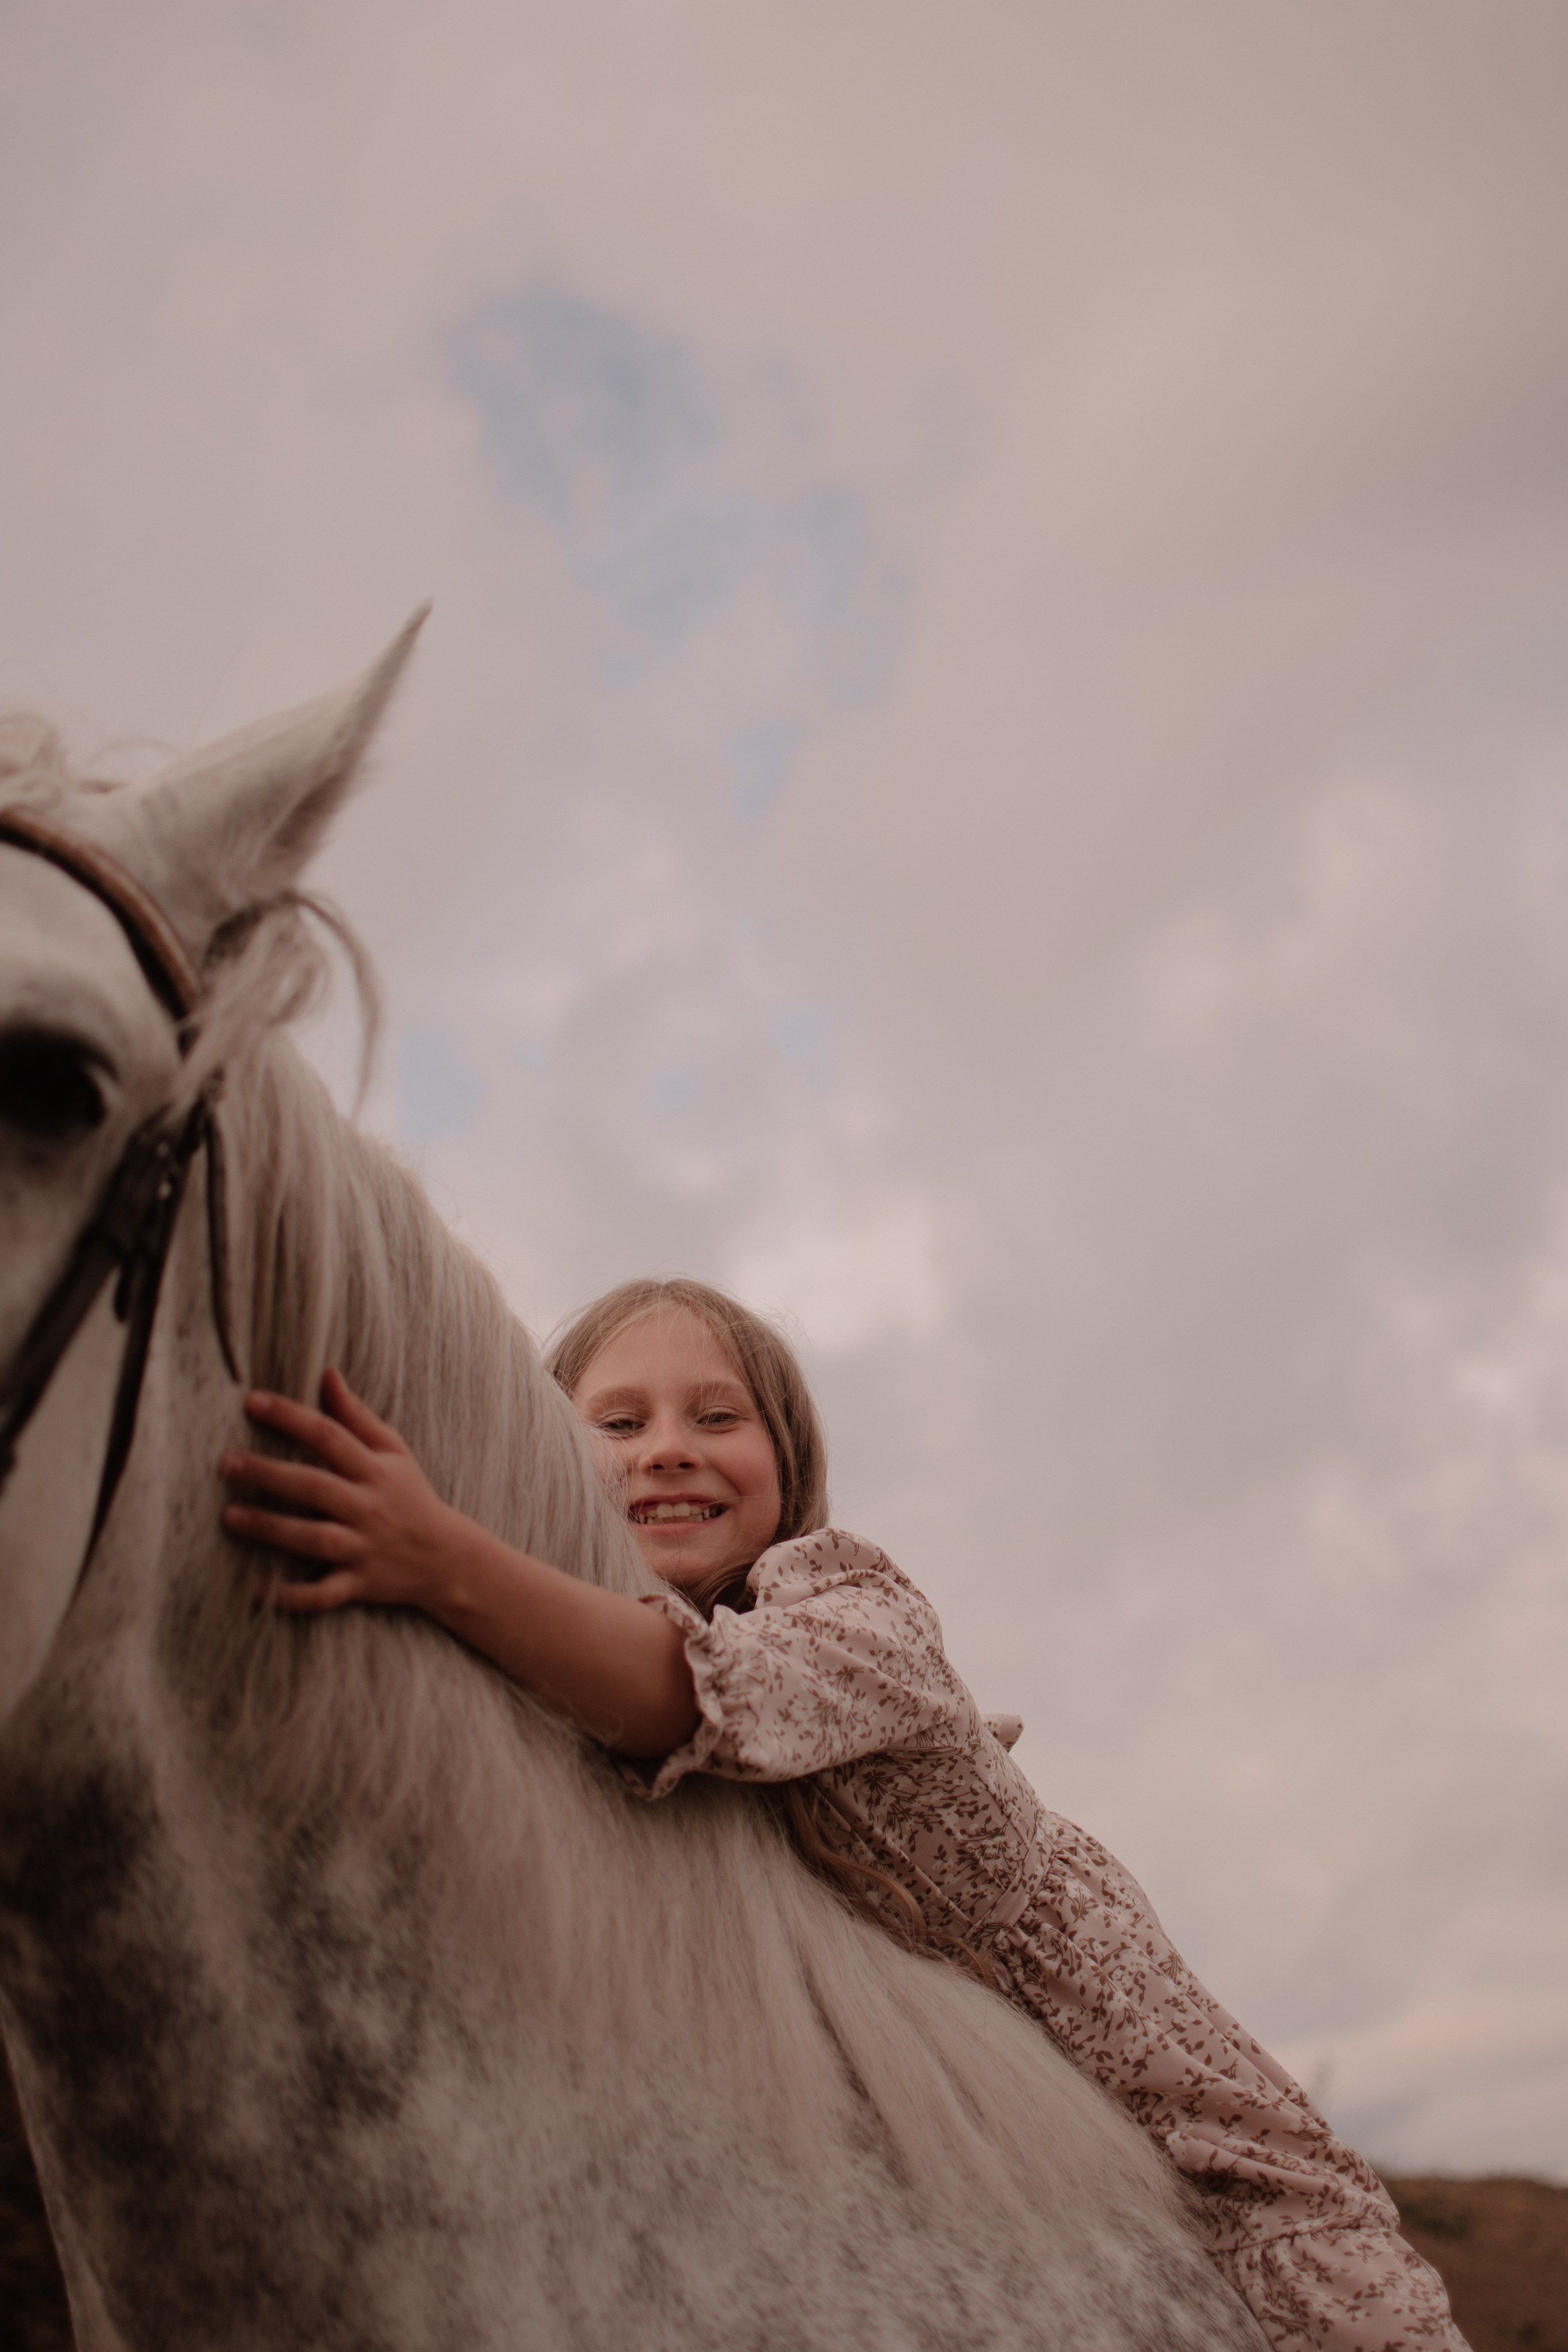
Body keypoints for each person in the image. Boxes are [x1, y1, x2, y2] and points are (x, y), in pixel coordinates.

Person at [219, 1275, 1467, 2352]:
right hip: (897, 2119)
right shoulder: (565, 1680)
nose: (666, 1446)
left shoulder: (848, 1610)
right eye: (615, 1421)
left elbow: (689, 1694)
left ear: (791, 1461)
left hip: (1133, 2073)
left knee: (1325, 2268)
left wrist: (439, 1555)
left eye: (718, 1417)